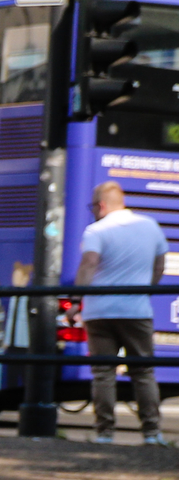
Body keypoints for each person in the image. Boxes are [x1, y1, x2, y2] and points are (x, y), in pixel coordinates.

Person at [75, 180, 170, 445]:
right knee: (143, 372)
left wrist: (76, 299)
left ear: (101, 205)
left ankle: (105, 433)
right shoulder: (150, 226)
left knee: (103, 373)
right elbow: (160, 263)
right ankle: (152, 433)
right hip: (136, 310)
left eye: (93, 206)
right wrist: (146, 288)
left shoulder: (96, 230)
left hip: (100, 311)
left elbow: (89, 264)